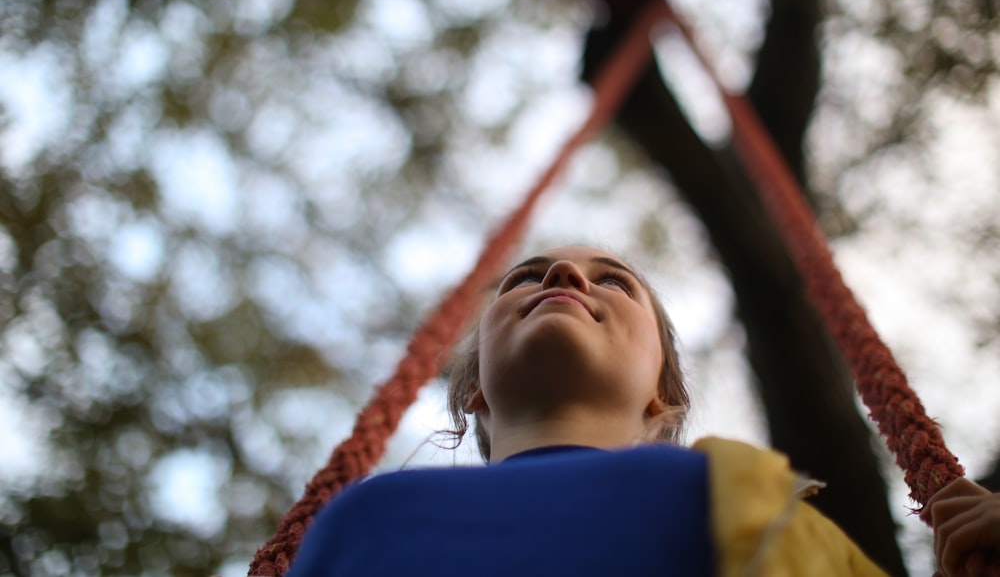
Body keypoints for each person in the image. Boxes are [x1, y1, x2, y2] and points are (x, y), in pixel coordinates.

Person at [287, 245, 999, 577]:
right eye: (526, 277)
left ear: (662, 391)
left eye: (614, 282)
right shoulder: (363, 519)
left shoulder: (752, 504)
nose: (564, 276)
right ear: (473, 385)